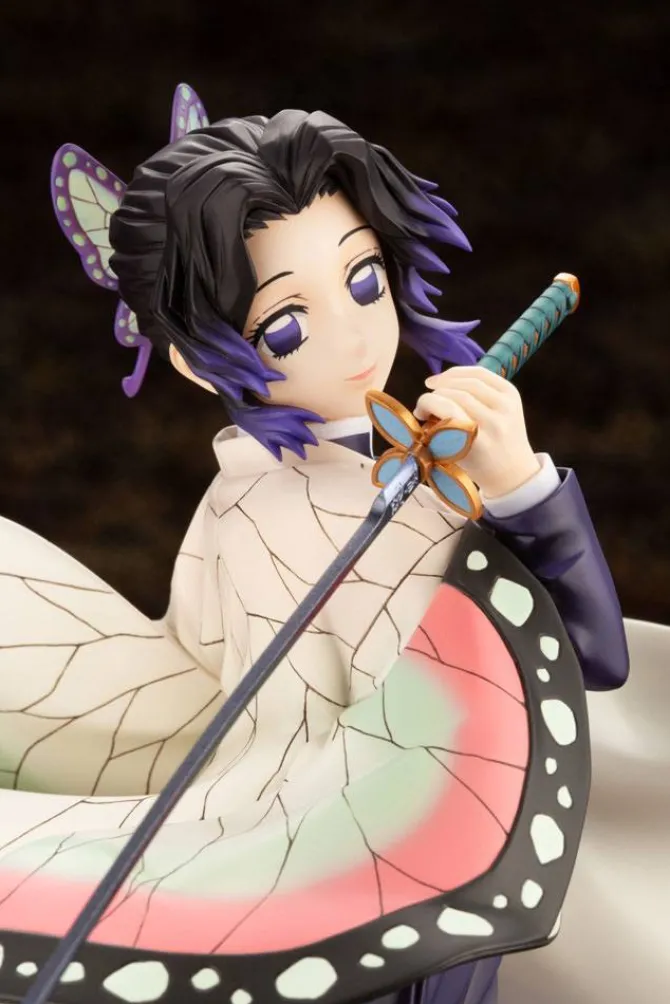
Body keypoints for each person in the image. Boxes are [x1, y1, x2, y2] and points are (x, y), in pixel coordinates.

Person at [0, 93, 663, 1004]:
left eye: (363, 281)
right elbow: (214, 671)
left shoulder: (416, 486)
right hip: (313, 857)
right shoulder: (247, 505)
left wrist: (522, 487)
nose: (353, 334)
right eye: (286, 323)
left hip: (450, 839)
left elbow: (586, 661)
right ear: (192, 359)